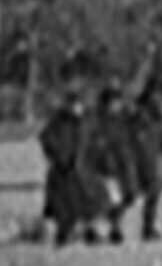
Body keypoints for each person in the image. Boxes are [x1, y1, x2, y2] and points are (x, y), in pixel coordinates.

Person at [122, 69, 162, 241]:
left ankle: (148, 227)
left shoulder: (159, 117)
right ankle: (112, 223)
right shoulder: (137, 114)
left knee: (153, 193)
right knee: (129, 194)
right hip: (135, 158)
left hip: (151, 159)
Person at [38, 86, 102, 249]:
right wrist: (59, 158)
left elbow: (95, 141)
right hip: (62, 171)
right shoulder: (58, 122)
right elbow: (46, 139)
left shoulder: (87, 122)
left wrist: (93, 157)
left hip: (83, 170)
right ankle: (63, 233)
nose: (76, 108)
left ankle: (90, 231)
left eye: (78, 104)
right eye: (72, 104)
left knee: (89, 202)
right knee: (64, 204)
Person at [83, 85, 137, 244]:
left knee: (122, 200)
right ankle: (95, 229)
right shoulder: (97, 122)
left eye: (118, 102)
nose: (118, 105)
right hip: (102, 169)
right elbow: (91, 145)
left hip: (119, 168)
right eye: (115, 102)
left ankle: (113, 228)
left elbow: (125, 143)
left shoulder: (120, 121)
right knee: (108, 200)